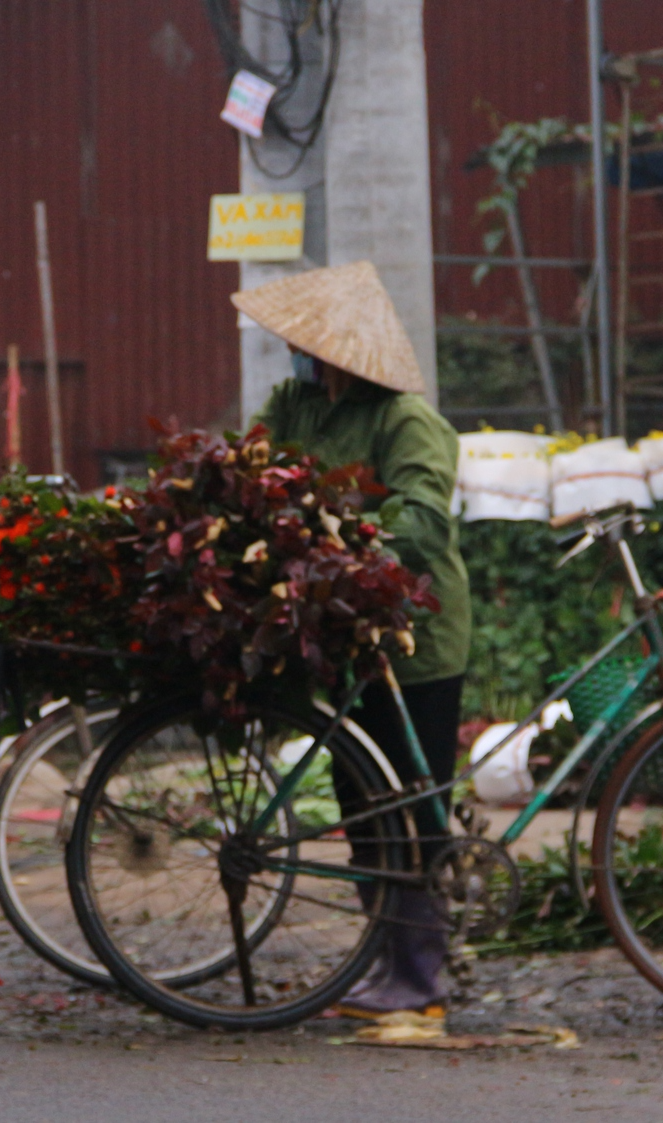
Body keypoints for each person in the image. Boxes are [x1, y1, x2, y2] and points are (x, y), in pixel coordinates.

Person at [232, 261, 471, 1019]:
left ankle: (423, 976)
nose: (299, 355)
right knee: (361, 801)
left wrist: (364, 567)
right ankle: (381, 961)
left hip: (414, 638)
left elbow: (424, 520)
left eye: (311, 344)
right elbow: (258, 477)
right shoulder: (294, 404)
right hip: (337, 635)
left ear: (344, 350)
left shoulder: (407, 422)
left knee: (410, 799)